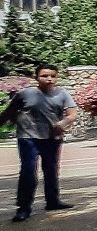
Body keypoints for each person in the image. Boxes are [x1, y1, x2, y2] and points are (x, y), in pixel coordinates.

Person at [0, 64, 78, 222]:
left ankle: (53, 202)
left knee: (51, 170)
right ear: (36, 78)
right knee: (28, 171)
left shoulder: (62, 94)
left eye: (53, 76)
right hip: (28, 137)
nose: (49, 79)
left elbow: (72, 114)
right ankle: (23, 208)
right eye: (44, 76)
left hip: (52, 138)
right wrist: (11, 120)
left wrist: (63, 123)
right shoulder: (25, 94)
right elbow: (9, 112)